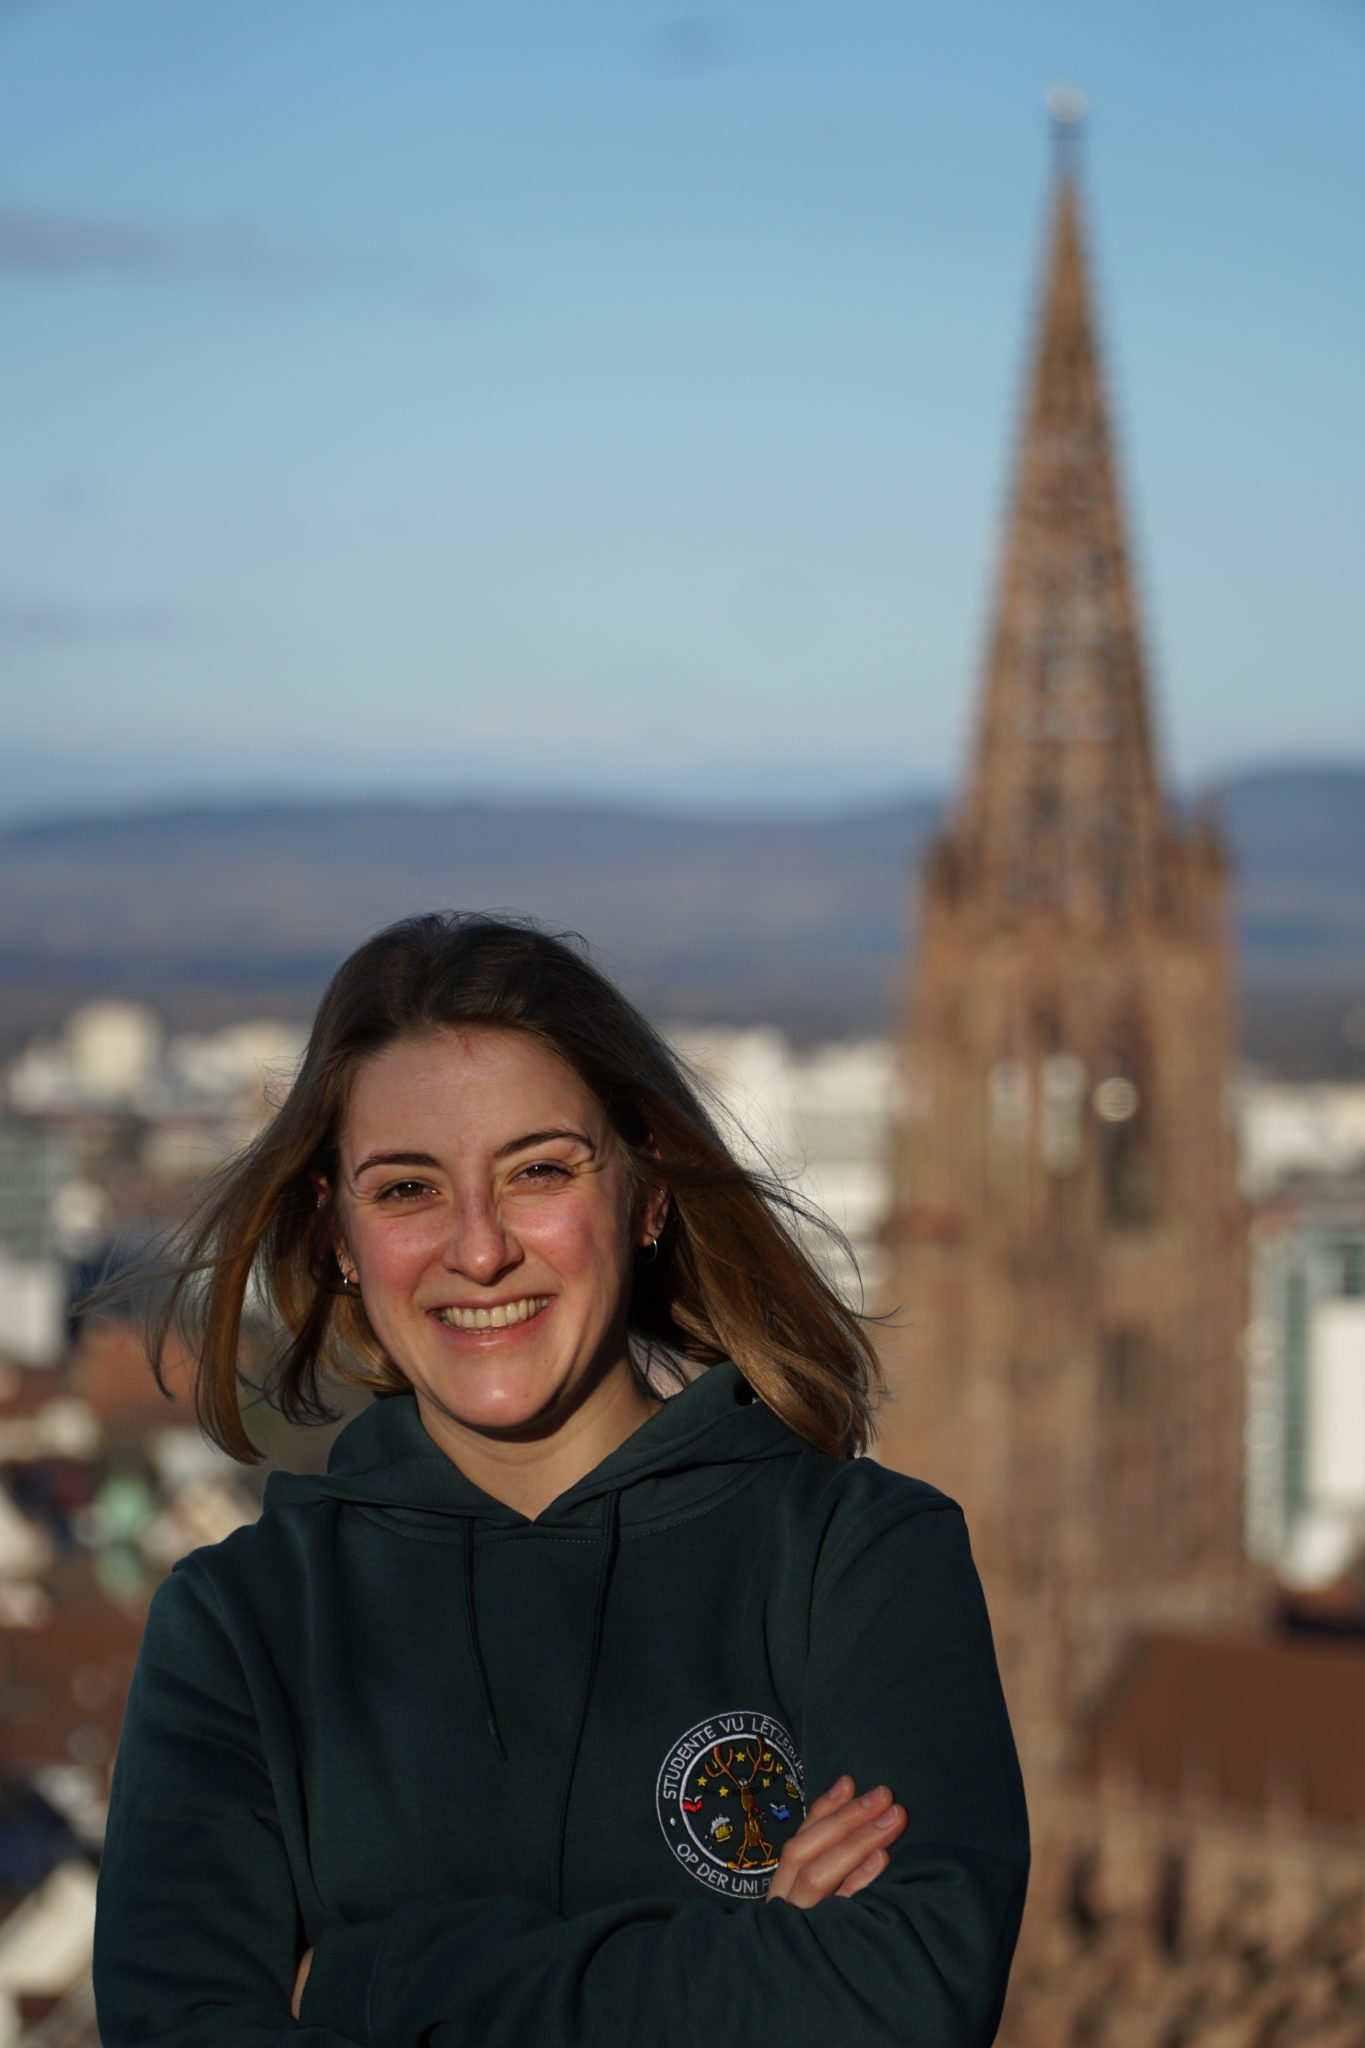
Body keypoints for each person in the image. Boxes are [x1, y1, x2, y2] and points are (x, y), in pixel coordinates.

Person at [93, 912, 1028, 2047]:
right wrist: (752, 1969)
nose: (480, 1249)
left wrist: (364, 1984)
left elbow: (903, 1993)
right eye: (406, 1189)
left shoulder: (857, 1559)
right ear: (337, 1234)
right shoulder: (244, 1624)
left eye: (538, 1171)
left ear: (647, 1192)